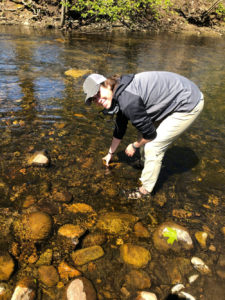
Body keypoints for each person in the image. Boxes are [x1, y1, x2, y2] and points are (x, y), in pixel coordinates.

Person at [83, 71, 204, 198]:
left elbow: (150, 134)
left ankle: (144, 191)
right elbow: (120, 127)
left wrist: (134, 146)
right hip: (178, 94)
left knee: (154, 146)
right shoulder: (119, 88)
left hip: (189, 102)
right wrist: (110, 154)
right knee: (142, 127)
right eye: (93, 99)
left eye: (98, 93)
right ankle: (145, 163)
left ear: (106, 84)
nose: (98, 100)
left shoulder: (128, 100)